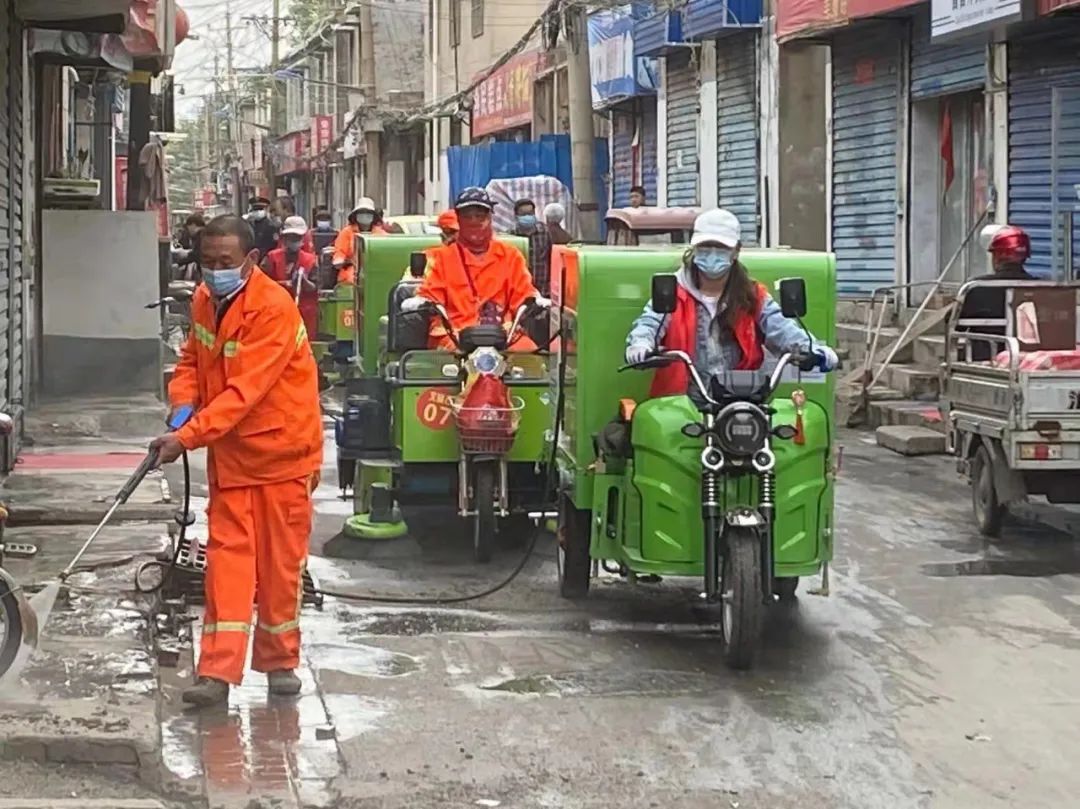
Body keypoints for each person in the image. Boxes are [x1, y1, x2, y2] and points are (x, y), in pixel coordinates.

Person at [151, 215, 323, 708]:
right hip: (232, 460)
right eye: (207, 262)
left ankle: (280, 662)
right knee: (225, 566)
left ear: (250, 260)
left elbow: (242, 393)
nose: (214, 271)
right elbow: (191, 362)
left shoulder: (272, 309)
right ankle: (216, 673)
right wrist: (182, 402)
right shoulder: (206, 300)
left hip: (281, 458)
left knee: (279, 568)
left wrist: (187, 436)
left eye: (225, 263)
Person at [626, 208, 838, 399]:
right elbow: (650, 321)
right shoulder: (673, 291)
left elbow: (781, 327)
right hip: (683, 402)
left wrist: (814, 349)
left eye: (720, 248)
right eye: (705, 247)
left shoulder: (752, 295)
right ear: (694, 248)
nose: (712, 254)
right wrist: (641, 344)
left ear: (736, 251)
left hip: (741, 399)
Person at [401, 187, 550, 351]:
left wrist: (535, 299)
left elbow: (524, 293)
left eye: (480, 216)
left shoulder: (510, 256)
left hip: (503, 336)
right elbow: (430, 292)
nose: (474, 221)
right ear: (459, 219)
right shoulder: (440, 258)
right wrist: (421, 300)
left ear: (490, 218)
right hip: (454, 336)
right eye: (467, 216)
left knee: (533, 361)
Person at [956, 224, 1035, 361]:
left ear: (997, 256)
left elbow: (955, 325)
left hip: (985, 359)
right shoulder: (1041, 287)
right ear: (1024, 257)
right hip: (1028, 360)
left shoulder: (976, 287)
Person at [263, 216, 319, 338]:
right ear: (284, 238)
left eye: (297, 237)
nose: (294, 240)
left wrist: (303, 281)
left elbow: (315, 286)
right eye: (291, 237)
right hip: (276, 311)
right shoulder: (272, 258)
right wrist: (284, 284)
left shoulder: (310, 260)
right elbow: (261, 284)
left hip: (304, 312)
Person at [332, 197, 389, 284]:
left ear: (373, 216)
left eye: (368, 213)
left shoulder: (381, 234)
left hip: (377, 271)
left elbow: (386, 253)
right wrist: (340, 260)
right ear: (355, 215)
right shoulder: (346, 232)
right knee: (353, 281)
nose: (365, 215)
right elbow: (340, 252)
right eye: (361, 213)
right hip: (352, 270)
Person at [513, 198, 552, 296]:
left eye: (530, 213)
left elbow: (551, 257)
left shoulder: (546, 233)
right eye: (523, 214)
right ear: (516, 216)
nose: (527, 217)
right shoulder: (512, 236)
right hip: (519, 291)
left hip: (543, 290)